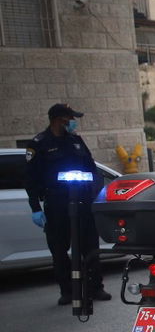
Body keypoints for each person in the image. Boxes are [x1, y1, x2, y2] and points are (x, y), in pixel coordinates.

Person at [24, 104, 110, 305]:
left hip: (82, 201)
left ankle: (95, 287)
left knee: (89, 246)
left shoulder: (76, 141)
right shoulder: (40, 144)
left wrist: (94, 194)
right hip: (57, 203)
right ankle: (67, 291)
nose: (73, 122)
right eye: (70, 118)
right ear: (59, 119)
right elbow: (30, 180)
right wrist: (35, 208)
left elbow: (91, 168)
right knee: (60, 249)